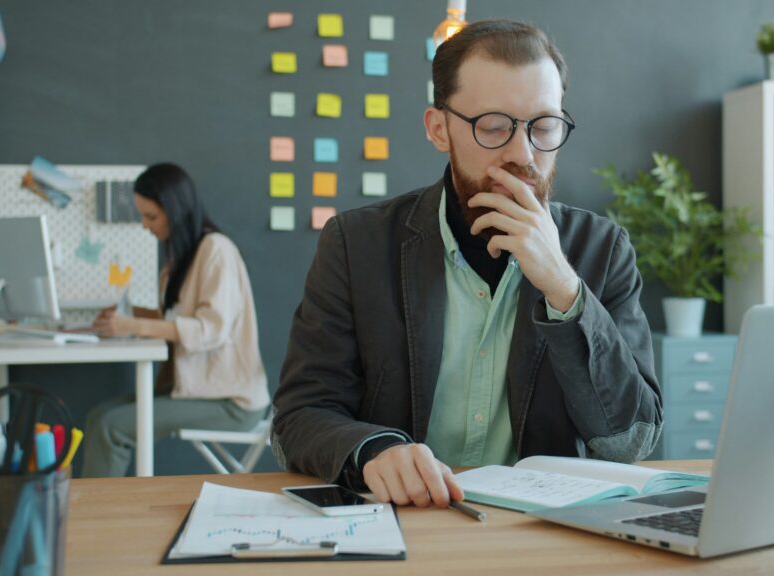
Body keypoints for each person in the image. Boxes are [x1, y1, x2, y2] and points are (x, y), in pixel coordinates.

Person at [272, 20, 661, 507]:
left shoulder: (603, 251)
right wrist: (373, 451)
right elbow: (297, 418)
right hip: (402, 519)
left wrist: (565, 290)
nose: (523, 154)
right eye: (494, 127)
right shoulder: (356, 244)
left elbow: (629, 443)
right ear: (439, 129)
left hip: (541, 532)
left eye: (543, 127)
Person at [82, 162, 269, 477]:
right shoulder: (179, 261)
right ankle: (97, 511)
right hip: (196, 389)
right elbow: (175, 318)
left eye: (151, 216)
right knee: (99, 416)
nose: (145, 225)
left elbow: (210, 330)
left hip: (230, 401)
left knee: (111, 428)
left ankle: (98, 519)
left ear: (176, 210)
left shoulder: (216, 251)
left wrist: (133, 326)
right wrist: (126, 315)